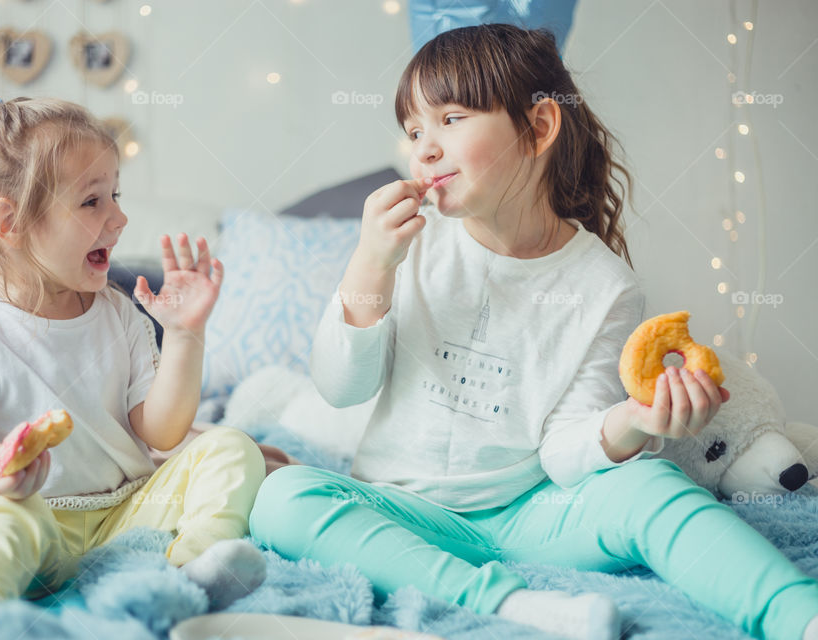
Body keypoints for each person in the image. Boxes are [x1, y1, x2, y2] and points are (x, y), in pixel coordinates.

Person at [248, 24, 818, 640]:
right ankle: (507, 604)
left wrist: (637, 420)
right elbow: (340, 387)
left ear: (540, 127)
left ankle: (798, 615)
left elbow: (563, 451)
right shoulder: (407, 248)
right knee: (282, 498)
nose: (424, 149)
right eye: (415, 131)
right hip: (400, 508)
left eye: (452, 118)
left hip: (529, 517)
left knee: (651, 481)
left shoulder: (606, 288)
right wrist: (370, 262)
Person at [0, 69, 267, 616]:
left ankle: (194, 570)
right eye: (92, 202)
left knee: (232, 448)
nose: (119, 218)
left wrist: (186, 335)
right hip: (34, 516)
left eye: (114, 194)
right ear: (11, 222)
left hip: (122, 515)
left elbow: (161, 431)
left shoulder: (118, 313)